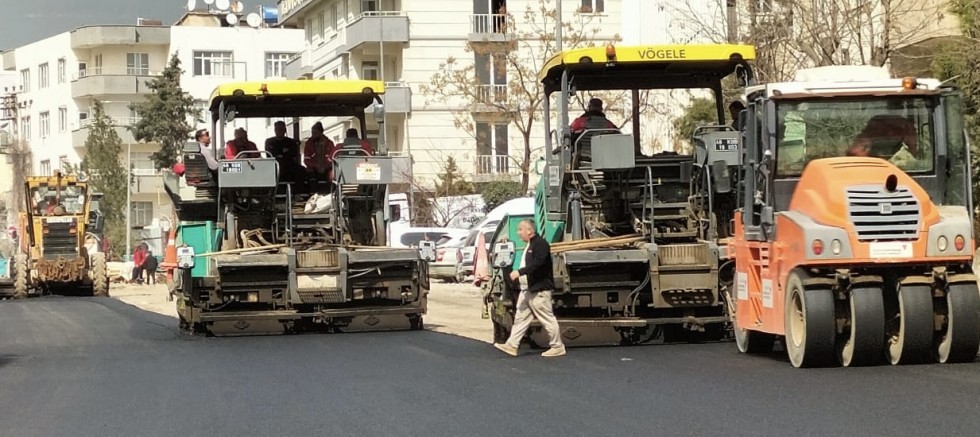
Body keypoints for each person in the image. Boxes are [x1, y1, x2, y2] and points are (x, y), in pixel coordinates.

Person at [493, 219, 566, 358]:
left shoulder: (540, 244)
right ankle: (512, 345)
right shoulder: (529, 245)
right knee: (520, 318)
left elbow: (538, 263)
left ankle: (557, 346)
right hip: (527, 290)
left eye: (520, 229)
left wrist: (520, 272)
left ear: (529, 231)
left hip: (539, 290)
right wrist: (506, 242)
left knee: (547, 318)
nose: (518, 233)